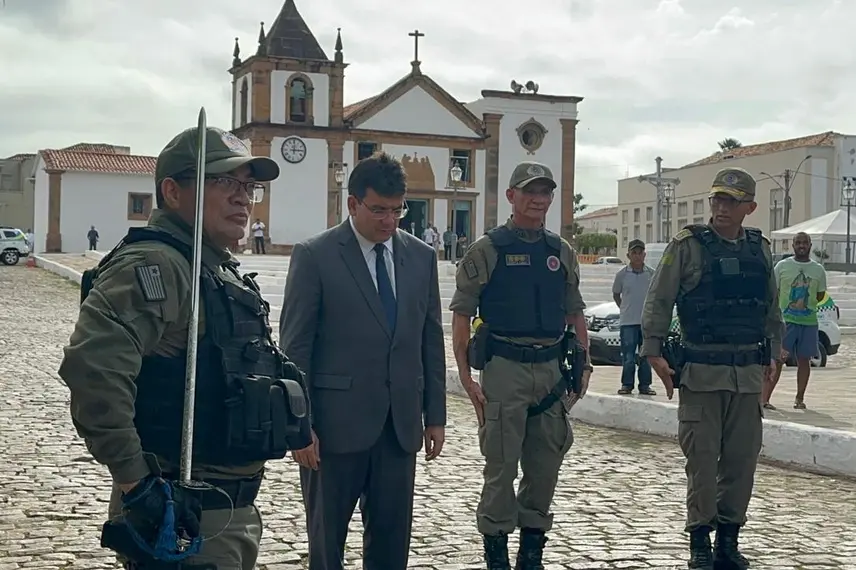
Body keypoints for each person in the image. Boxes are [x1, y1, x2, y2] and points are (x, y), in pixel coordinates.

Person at [58, 125, 312, 570]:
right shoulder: (157, 264)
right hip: (182, 513)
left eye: (247, 186)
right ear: (173, 191)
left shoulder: (214, 268)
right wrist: (136, 483)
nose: (242, 197)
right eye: (223, 182)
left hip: (225, 513)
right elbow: (93, 370)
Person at [279, 151, 447, 570]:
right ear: (352, 204)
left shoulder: (421, 258)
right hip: (333, 433)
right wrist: (300, 426)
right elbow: (295, 348)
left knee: (392, 547)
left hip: (399, 430)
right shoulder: (315, 255)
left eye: (397, 211)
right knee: (326, 545)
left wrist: (435, 415)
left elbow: (429, 340)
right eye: (378, 210)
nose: (389, 221)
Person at [450, 161, 591, 570]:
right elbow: (462, 312)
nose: (538, 199)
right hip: (504, 369)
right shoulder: (488, 250)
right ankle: (496, 554)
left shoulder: (560, 251)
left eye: (545, 192)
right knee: (500, 466)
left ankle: (532, 554)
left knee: (545, 465)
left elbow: (574, 310)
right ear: (511, 196)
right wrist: (464, 375)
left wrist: (582, 362)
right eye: (530, 191)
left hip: (550, 370)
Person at [640, 167, 783, 570]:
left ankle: (728, 542)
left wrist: (775, 349)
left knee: (741, 463)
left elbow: (771, 304)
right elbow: (659, 297)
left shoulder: (759, 249)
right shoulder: (688, 245)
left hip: (747, 374)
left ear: (749, 208)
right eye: (717, 200)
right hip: (701, 373)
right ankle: (700, 545)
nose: (722, 207)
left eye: (731, 201)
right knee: (701, 464)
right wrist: (653, 350)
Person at [764, 231, 827, 410]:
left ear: (810, 246)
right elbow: (773, 291)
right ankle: (765, 399)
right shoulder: (782, 266)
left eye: (804, 243)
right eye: (798, 242)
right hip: (785, 322)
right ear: (793, 245)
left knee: (804, 360)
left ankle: (799, 399)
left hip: (809, 322)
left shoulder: (818, 270)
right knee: (778, 359)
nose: (801, 246)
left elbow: (820, 295)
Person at [612, 238, 655, 395]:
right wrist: (624, 308)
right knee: (629, 357)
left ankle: (645, 386)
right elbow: (616, 294)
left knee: (645, 356)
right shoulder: (622, 275)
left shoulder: (652, 274)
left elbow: (655, 296)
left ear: (644, 255)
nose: (637, 256)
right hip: (628, 322)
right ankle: (627, 385)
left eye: (640, 253)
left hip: (646, 323)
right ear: (628, 255)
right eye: (634, 253)